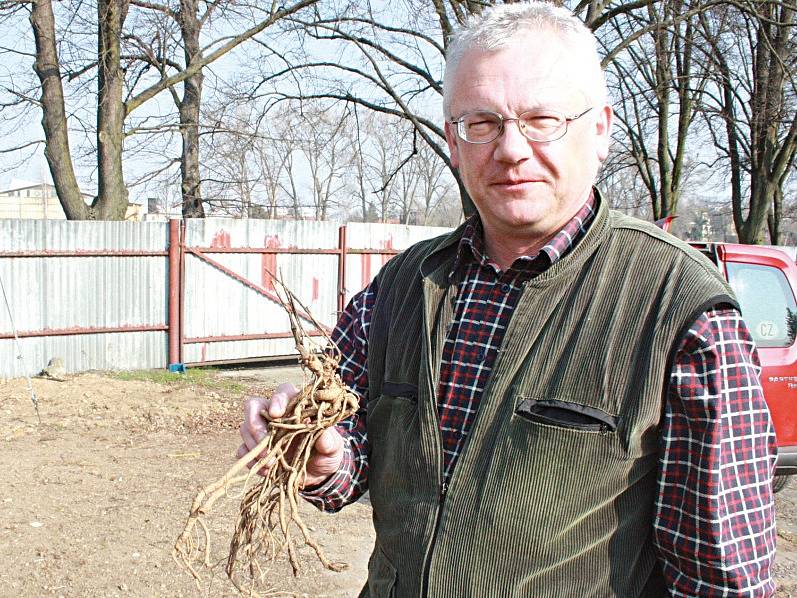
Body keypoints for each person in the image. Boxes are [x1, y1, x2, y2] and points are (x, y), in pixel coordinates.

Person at [239, 3, 777, 596]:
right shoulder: (399, 289)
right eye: (483, 123)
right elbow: (351, 454)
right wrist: (319, 457)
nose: (511, 149)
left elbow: (720, 578)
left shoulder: (682, 312)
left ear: (599, 129)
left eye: (542, 119)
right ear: (453, 139)